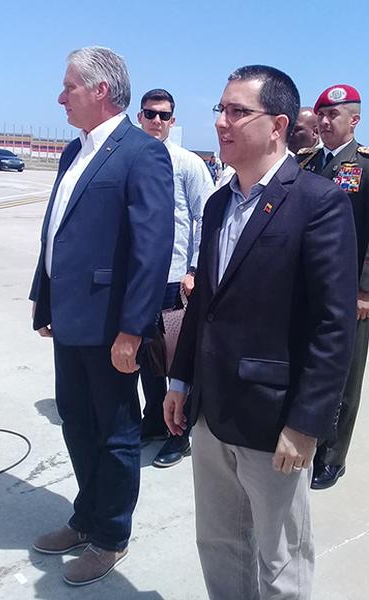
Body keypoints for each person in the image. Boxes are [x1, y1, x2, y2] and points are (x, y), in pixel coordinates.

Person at [164, 65, 357, 599]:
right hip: (211, 410)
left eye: (236, 111)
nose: (222, 122)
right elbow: (205, 301)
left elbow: (332, 325)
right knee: (220, 544)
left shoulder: (319, 202)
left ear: (275, 125)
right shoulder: (218, 202)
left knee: (281, 561)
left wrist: (307, 423)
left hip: (273, 421)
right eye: (220, 110)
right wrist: (180, 382)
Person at [29, 46, 174, 586]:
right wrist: (44, 301)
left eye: (69, 86)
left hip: (113, 325)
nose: (60, 96)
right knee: (77, 421)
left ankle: (111, 535)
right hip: (70, 319)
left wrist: (132, 329)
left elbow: (151, 249)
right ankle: (86, 515)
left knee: (114, 433)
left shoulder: (141, 153)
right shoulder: (74, 151)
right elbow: (58, 232)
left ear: (100, 90)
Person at [137, 88, 214, 467]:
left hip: (173, 280)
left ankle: (177, 434)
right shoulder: (130, 160)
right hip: (139, 281)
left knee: (174, 362)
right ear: (140, 116)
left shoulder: (186, 164)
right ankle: (153, 420)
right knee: (144, 356)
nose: (156, 121)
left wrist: (195, 269)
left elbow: (206, 219)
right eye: (150, 114)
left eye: (163, 116)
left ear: (173, 121)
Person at [297, 84, 369, 490]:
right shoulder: (307, 163)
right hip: (308, 287)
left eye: (333, 116)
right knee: (310, 366)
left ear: (354, 120)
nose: (323, 122)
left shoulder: (365, 165)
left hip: (349, 294)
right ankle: (308, 438)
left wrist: (364, 289)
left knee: (345, 376)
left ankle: (332, 457)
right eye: (321, 115)